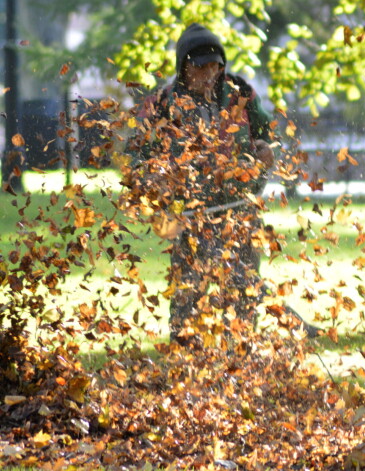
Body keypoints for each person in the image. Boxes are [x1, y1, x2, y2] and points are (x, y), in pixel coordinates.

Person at [126, 23, 316, 346]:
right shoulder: (162, 104)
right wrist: (151, 181)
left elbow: (270, 135)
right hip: (192, 215)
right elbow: (136, 157)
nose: (210, 74)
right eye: (201, 67)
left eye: (216, 66)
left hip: (240, 210)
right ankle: (185, 352)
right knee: (189, 290)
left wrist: (268, 151)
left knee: (244, 287)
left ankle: (240, 352)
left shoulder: (241, 93)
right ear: (184, 66)